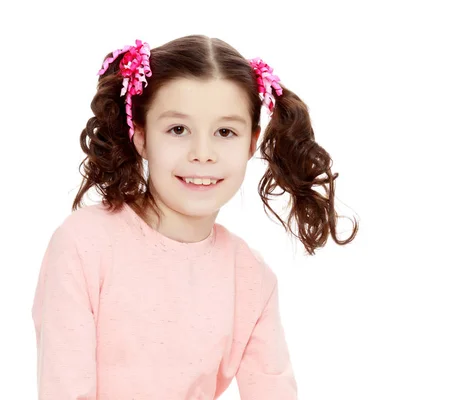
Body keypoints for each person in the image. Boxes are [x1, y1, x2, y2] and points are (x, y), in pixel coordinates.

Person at [31, 35, 358, 399]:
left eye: (224, 132)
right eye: (178, 129)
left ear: (251, 142)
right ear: (140, 135)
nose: (202, 154)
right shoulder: (84, 245)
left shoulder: (250, 276)